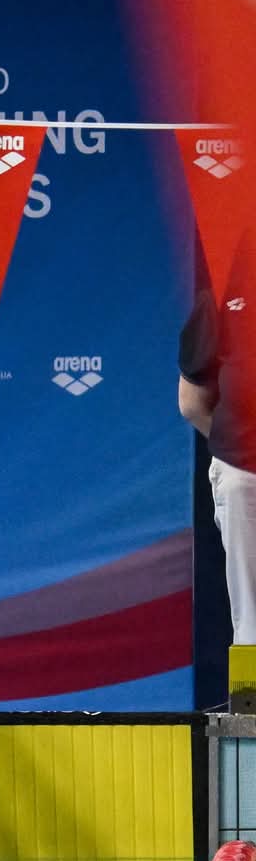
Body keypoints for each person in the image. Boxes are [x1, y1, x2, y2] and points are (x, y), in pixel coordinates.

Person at [178, 234, 256, 643]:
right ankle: (249, 688)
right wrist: (239, 452)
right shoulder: (226, 289)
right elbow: (192, 403)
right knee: (252, 622)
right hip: (245, 480)